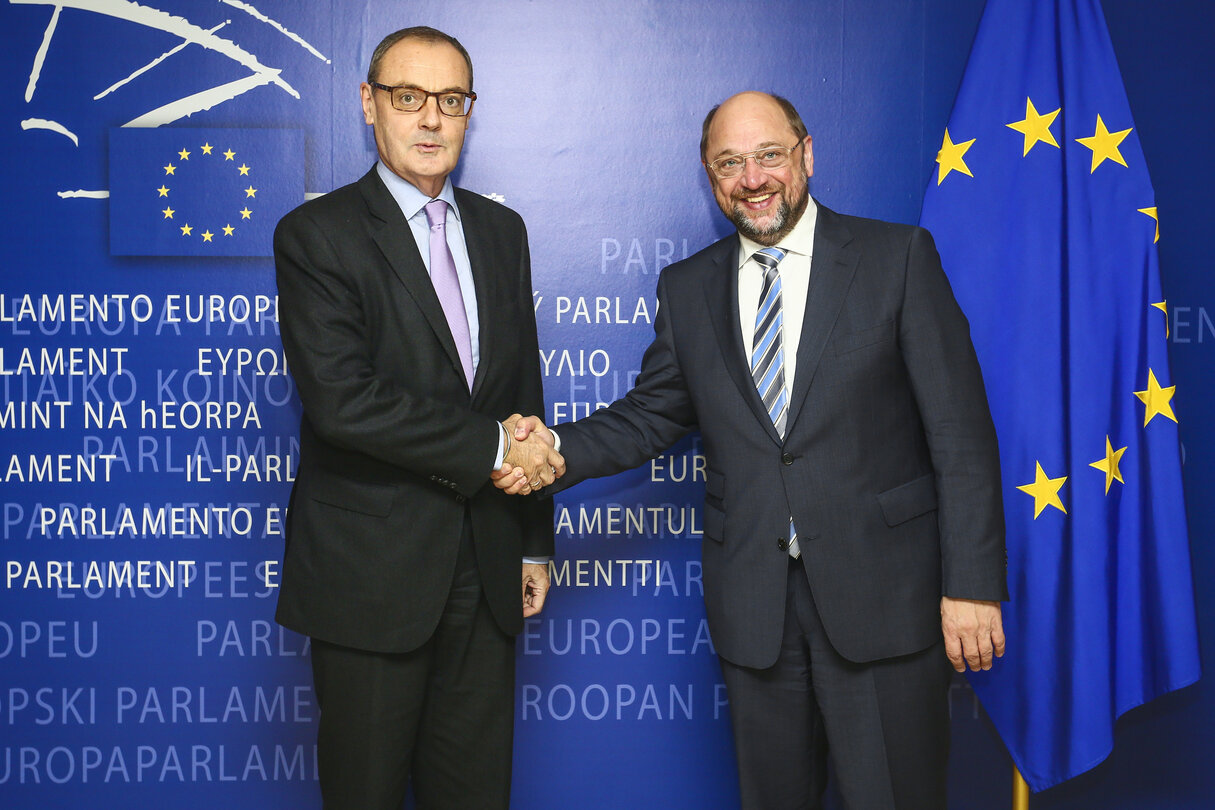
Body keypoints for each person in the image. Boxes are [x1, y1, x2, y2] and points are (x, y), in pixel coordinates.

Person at [499, 91, 1007, 808]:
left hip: (885, 602)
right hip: (755, 613)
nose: (751, 178)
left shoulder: (896, 259)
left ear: (805, 155)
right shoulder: (687, 288)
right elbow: (649, 416)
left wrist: (972, 585)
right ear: (709, 179)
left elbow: (959, 432)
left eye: (768, 155)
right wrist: (551, 448)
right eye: (728, 164)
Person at [273, 26, 564, 810]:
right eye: (409, 98)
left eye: (451, 101)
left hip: (489, 566)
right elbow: (343, 401)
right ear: (370, 105)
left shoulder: (503, 232)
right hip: (370, 578)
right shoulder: (316, 235)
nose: (431, 120)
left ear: (470, 112)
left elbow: (521, 391)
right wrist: (495, 445)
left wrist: (533, 539)